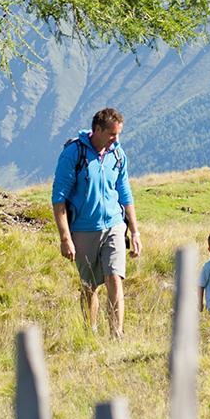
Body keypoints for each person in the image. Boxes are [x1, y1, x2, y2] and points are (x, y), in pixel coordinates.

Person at [52, 107, 140, 337]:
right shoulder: (74, 153)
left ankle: (116, 334)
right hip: (83, 229)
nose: (116, 139)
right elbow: (59, 198)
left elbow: (125, 193)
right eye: (112, 134)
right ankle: (90, 333)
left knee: (115, 277)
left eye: (118, 134)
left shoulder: (118, 155)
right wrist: (65, 238)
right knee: (89, 286)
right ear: (97, 130)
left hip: (114, 225)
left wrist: (135, 231)